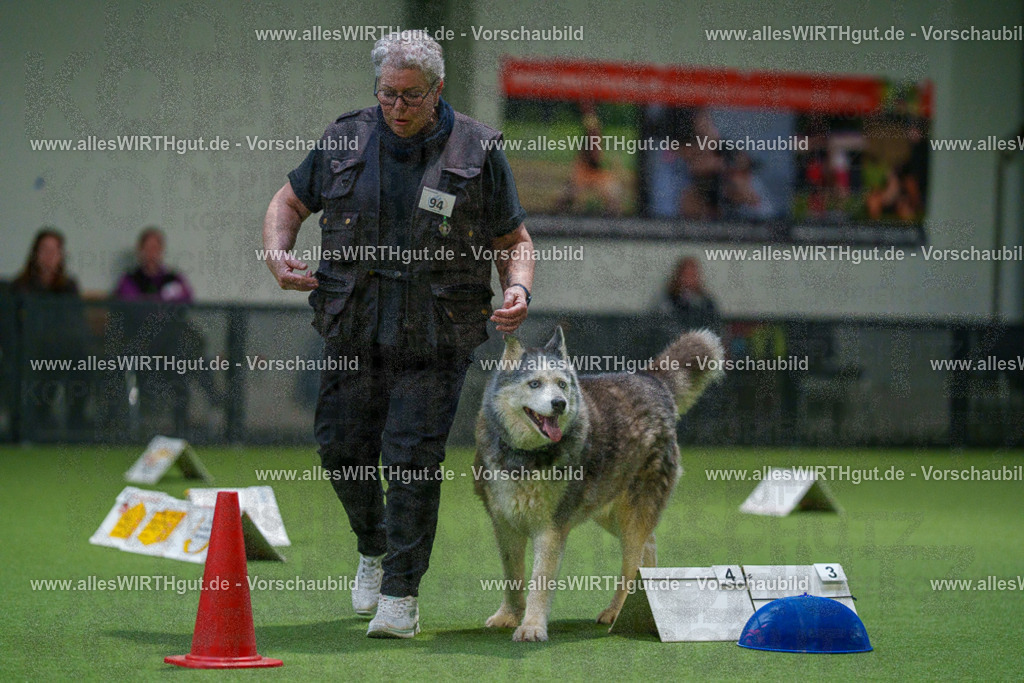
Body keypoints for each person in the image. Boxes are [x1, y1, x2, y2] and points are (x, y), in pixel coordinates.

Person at [262, 32, 534, 638]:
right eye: (387, 93)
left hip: (436, 335)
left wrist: (517, 288)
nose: (397, 107)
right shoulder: (345, 138)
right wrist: (277, 253)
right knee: (340, 448)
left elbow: (514, 240)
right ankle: (374, 545)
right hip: (354, 327)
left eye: (411, 95)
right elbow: (288, 202)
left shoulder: (477, 149)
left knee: (412, 459)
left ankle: (400, 594)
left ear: (438, 90)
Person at [113, 227, 193, 302]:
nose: (151, 254)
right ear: (140, 251)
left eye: (155, 248)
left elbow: (186, 300)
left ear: (161, 250)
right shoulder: (129, 280)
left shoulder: (174, 279)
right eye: (147, 249)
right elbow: (127, 300)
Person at [11, 227, 79, 295]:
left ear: (61, 256)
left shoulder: (68, 287)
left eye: (54, 251)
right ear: (35, 253)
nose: (49, 255)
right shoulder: (20, 286)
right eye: (44, 249)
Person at [661, 256, 719, 331]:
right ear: (679, 276)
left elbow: (714, 327)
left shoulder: (706, 303)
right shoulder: (669, 301)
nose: (689, 279)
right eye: (686, 274)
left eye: (692, 275)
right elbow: (664, 325)